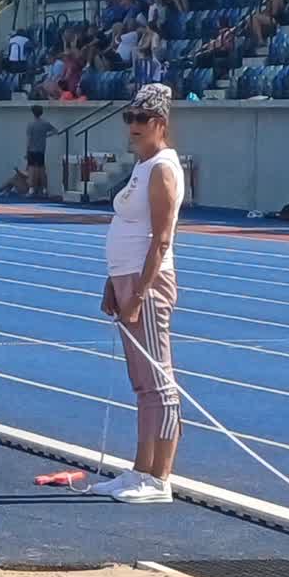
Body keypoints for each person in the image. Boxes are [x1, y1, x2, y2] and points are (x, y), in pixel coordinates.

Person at [91, 83, 184, 504]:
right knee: (142, 383)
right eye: (129, 118)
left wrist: (139, 294)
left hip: (148, 283)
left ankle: (160, 477)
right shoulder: (142, 166)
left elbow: (161, 239)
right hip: (126, 278)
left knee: (158, 380)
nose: (133, 125)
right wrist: (113, 282)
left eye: (141, 119)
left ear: (160, 123)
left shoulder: (163, 167)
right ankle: (140, 470)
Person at [24, 104, 57, 198]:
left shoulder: (30, 124)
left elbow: (29, 140)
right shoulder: (45, 123)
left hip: (32, 150)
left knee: (31, 170)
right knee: (42, 170)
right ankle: (45, 190)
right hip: (41, 150)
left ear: (33, 113)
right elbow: (55, 131)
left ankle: (31, 190)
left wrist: (26, 152)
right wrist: (46, 136)